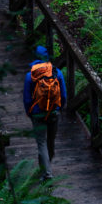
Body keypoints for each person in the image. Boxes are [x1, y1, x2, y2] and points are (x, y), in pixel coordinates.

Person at [23, 45, 67, 180]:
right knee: (50, 141)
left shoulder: (30, 75)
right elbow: (63, 95)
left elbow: (27, 98)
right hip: (53, 112)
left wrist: (29, 112)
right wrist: (60, 108)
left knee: (41, 143)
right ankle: (45, 168)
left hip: (37, 114)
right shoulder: (57, 72)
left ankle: (46, 172)